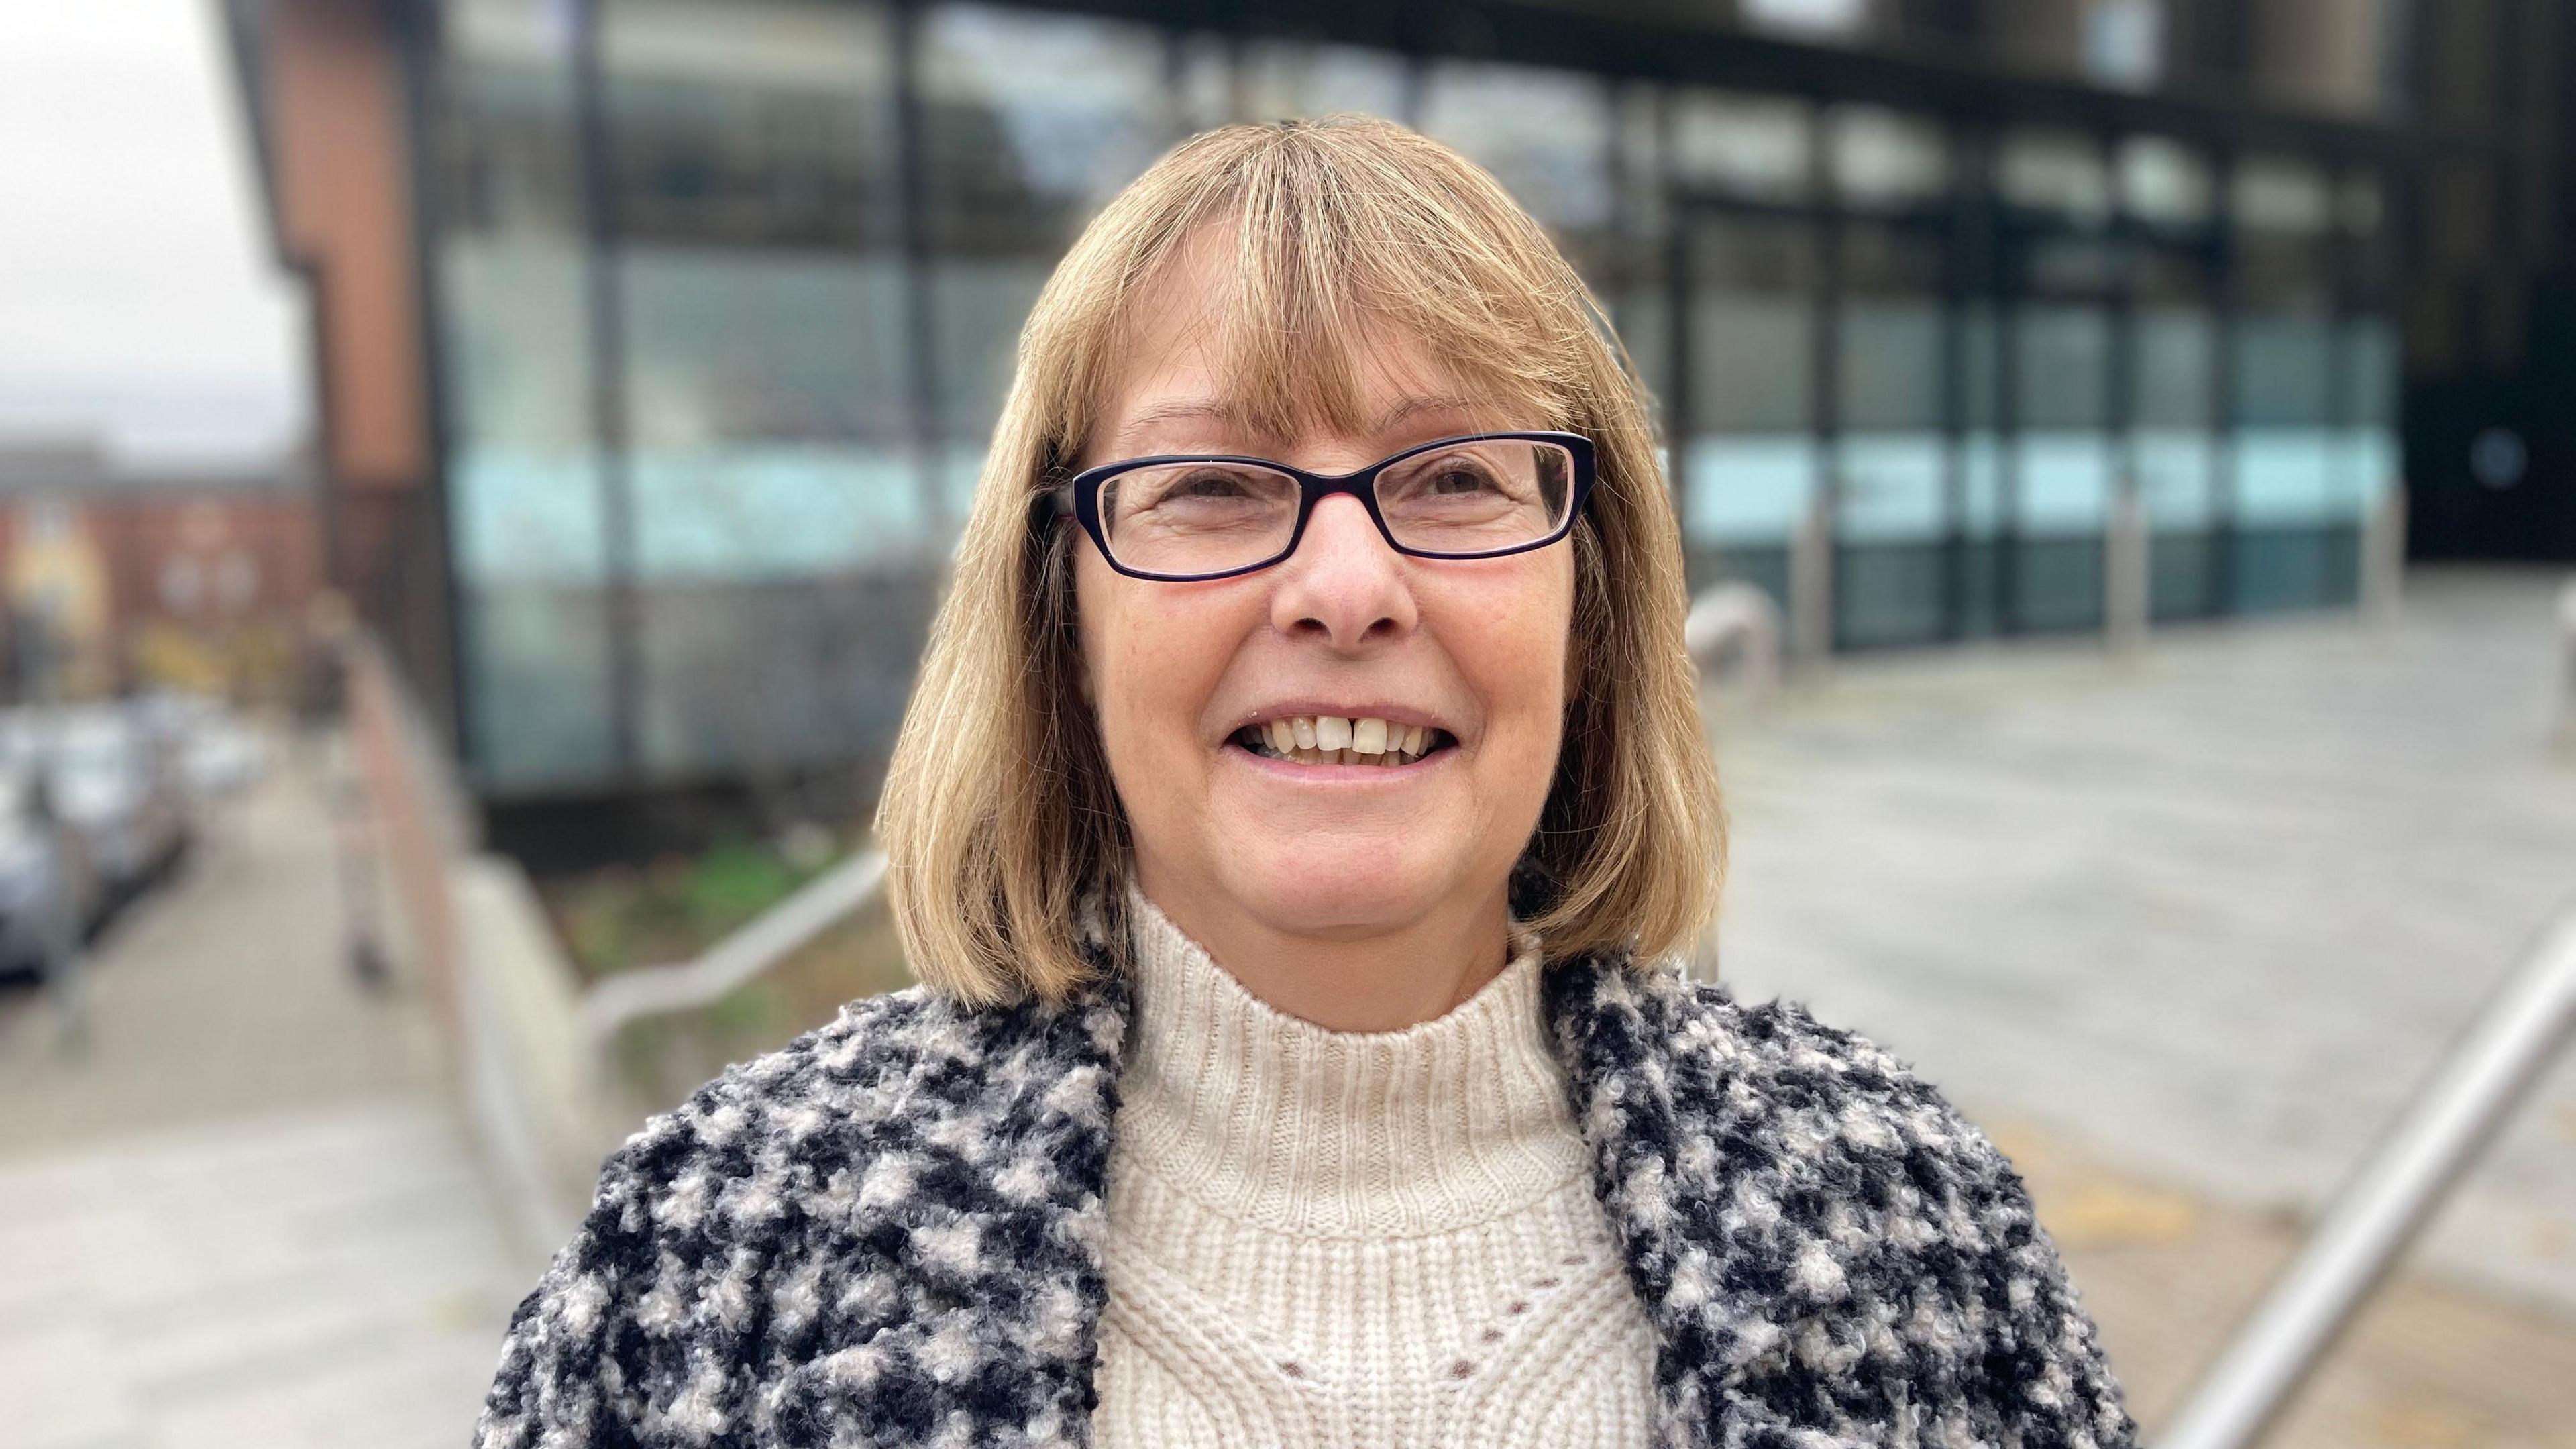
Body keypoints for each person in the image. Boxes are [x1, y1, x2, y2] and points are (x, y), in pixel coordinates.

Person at [474, 115, 2135, 1449]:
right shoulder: (716, 1265)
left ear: (1594, 602)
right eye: (1210, 483)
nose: (1346, 586)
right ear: (1061, 611)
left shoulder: (1914, 1229)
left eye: (1460, 474)